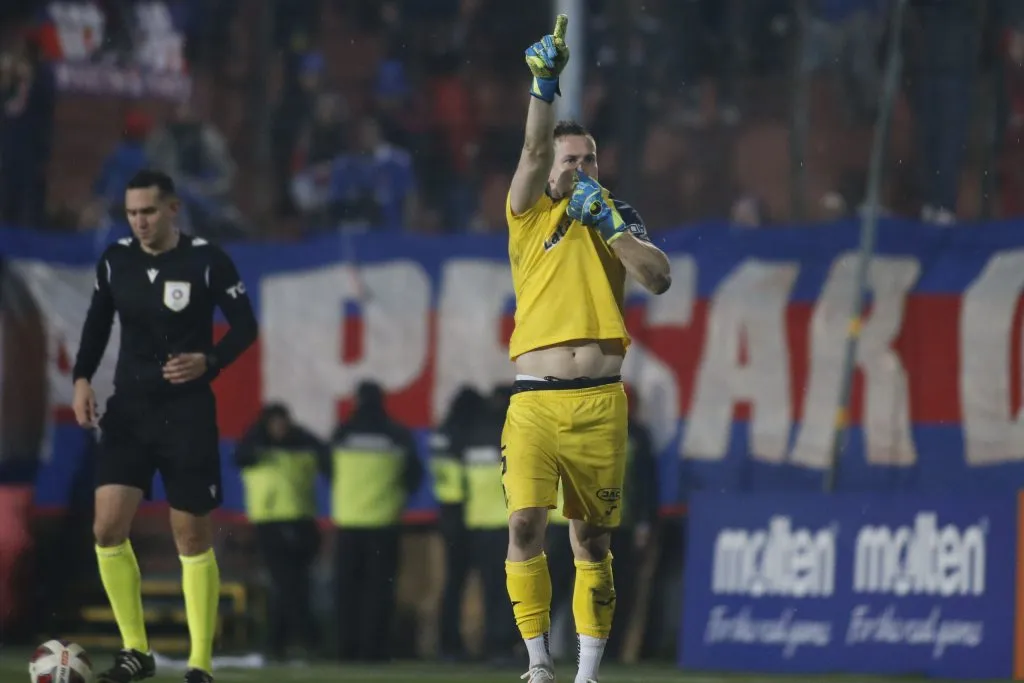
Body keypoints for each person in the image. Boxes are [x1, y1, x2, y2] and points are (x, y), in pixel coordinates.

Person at [502, 14, 672, 683]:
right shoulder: (528, 211)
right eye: (570, 159)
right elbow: (531, 151)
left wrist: (611, 226)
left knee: (593, 540)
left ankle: (588, 674)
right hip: (536, 401)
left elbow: (658, 277)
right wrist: (543, 87)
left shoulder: (616, 216)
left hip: (601, 399)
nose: (578, 167)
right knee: (522, 524)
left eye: (589, 159)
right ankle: (539, 663)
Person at [71, 169, 258, 683]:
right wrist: (82, 378)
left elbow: (246, 326)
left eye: (148, 212)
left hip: (188, 414)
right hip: (129, 411)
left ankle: (199, 662)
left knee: (190, 536)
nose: (139, 222)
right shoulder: (117, 260)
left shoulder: (206, 260)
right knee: (106, 527)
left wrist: (211, 360)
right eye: (131, 214)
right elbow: (97, 321)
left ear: (172, 209)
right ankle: (137, 652)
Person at [330, 381, 423, 661]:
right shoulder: (396, 434)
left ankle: (345, 649)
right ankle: (374, 650)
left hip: (348, 523)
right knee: (379, 591)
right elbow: (414, 475)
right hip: (384, 523)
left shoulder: (342, 433)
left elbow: (327, 468)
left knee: (346, 590)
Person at [234, 403, 330, 661]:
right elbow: (240, 457)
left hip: (302, 522)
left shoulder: (302, 444)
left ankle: (277, 643)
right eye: (274, 423)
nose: (280, 428)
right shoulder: (254, 447)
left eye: (283, 422)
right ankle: (310, 638)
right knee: (288, 584)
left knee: (291, 585)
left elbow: (325, 454)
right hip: (270, 523)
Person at [430, 387, 484, 661]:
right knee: (482, 582)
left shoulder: (442, 432)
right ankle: (463, 643)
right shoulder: (464, 433)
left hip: (446, 513)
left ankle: (447, 643)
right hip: (466, 515)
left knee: (453, 583)